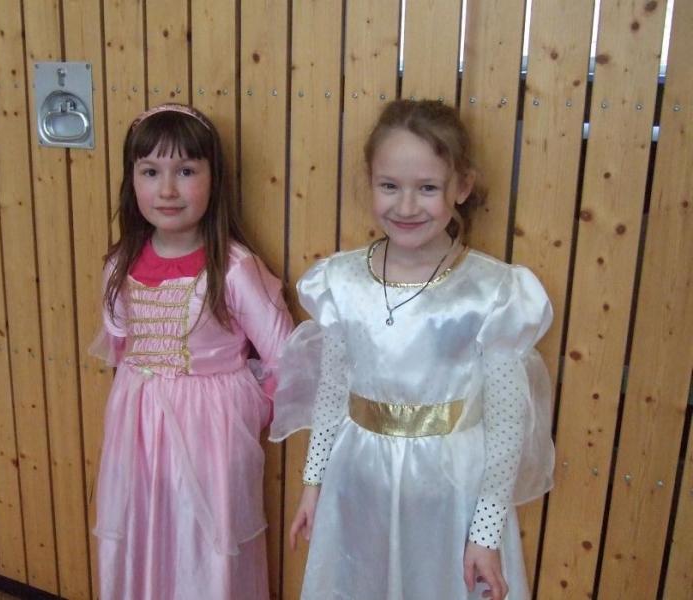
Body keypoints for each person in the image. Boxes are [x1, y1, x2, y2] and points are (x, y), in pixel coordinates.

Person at [271, 99, 554, 600]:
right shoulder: (341, 281)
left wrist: (486, 532)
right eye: (389, 186)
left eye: (427, 188)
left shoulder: (492, 292)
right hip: (358, 486)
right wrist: (314, 484)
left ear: (461, 187)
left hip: (448, 497)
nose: (405, 207)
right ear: (370, 181)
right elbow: (333, 392)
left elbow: (508, 424)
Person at [90, 102, 293, 600]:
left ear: (213, 178)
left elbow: (286, 357)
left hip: (211, 428)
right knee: (142, 527)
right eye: (150, 171)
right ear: (132, 180)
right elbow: (122, 343)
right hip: (137, 425)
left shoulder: (234, 268)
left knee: (203, 540)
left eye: (185, 171)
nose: (167, 189)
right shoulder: (120, 265)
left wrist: (244, 406)